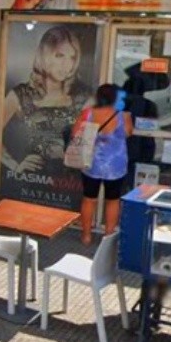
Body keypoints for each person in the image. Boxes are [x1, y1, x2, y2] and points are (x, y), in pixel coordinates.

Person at [0, 25, 92, 181]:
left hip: (69, 183)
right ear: (44, 56)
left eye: (72, 57)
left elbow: (89, 146)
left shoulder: (84, 98)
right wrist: (14, 165)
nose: (67, 65)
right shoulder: (21, 94)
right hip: (31, 181)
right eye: (59, 55)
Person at [73, 83, 133, 245]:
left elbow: (75, 134)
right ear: (115, 98)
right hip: (115, 166)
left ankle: (86, 236)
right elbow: (128, 133)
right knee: (113, 201)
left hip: (92, 163)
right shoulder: (123, 116)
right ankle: (108, 237)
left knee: (88, 199)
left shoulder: (88, 113)